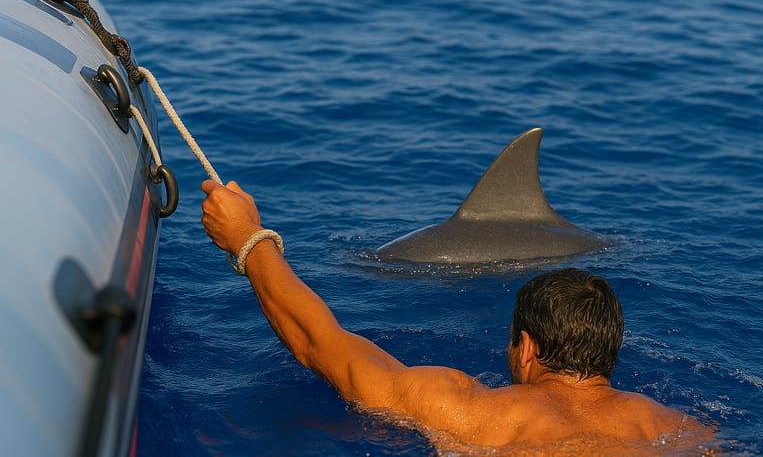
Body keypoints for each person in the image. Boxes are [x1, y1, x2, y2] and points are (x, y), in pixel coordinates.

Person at [200, 180, 715, 451]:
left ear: (528, 347)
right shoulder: (683, 431)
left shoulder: (469, 411)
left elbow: (318, 341)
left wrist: (249, 239)